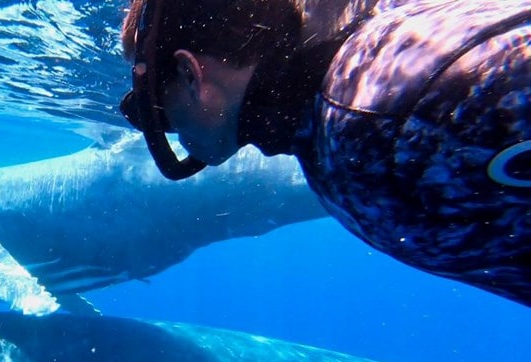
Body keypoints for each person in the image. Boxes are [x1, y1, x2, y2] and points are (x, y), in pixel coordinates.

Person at [118, 0, 531, 307]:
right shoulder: (347, 115)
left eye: (155, 109)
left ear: (191, 75)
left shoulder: (381, 111)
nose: (168, 130)